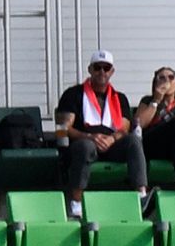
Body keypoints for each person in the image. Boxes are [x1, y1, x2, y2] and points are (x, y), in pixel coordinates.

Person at [48, 54, 141, 197]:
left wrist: (112, 139)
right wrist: (89, 136)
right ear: (90, 69)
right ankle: (76, 202)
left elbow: (124, 128)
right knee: (86, 146)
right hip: (82, 145)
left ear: (112, 71)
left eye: (106, 68)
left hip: (111, 145)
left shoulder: (119, 97)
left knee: (133, 141)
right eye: (97, 67)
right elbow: (62, 128)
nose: (102, 72)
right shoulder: (73, 94)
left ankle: (141, 195)